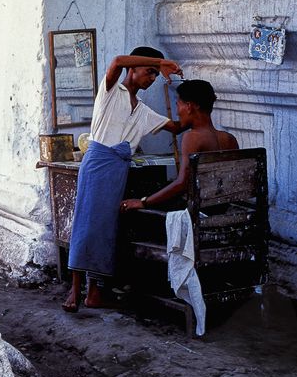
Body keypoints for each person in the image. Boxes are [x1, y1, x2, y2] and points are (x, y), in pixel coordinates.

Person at [63, 46, 186, 312]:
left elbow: (175, 127)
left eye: (155, 75)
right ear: (134, 68)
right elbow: (118, 61)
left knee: (106, 230)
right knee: (86, 225)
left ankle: (94, 293)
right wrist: (161, 61)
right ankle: (75, 290)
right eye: (148, 72)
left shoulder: (143, 111)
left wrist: (191, 109)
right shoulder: (110, 91)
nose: (152, 78)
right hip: (96, 165)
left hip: (118, 171)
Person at [120, 79, 238, 213]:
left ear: (189, 106)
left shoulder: (192, 137)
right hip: (221, 207)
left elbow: (182, 183)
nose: (177, 112)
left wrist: (143, 202)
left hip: (200, 211)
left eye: (178, 105)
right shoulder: (229, 139)